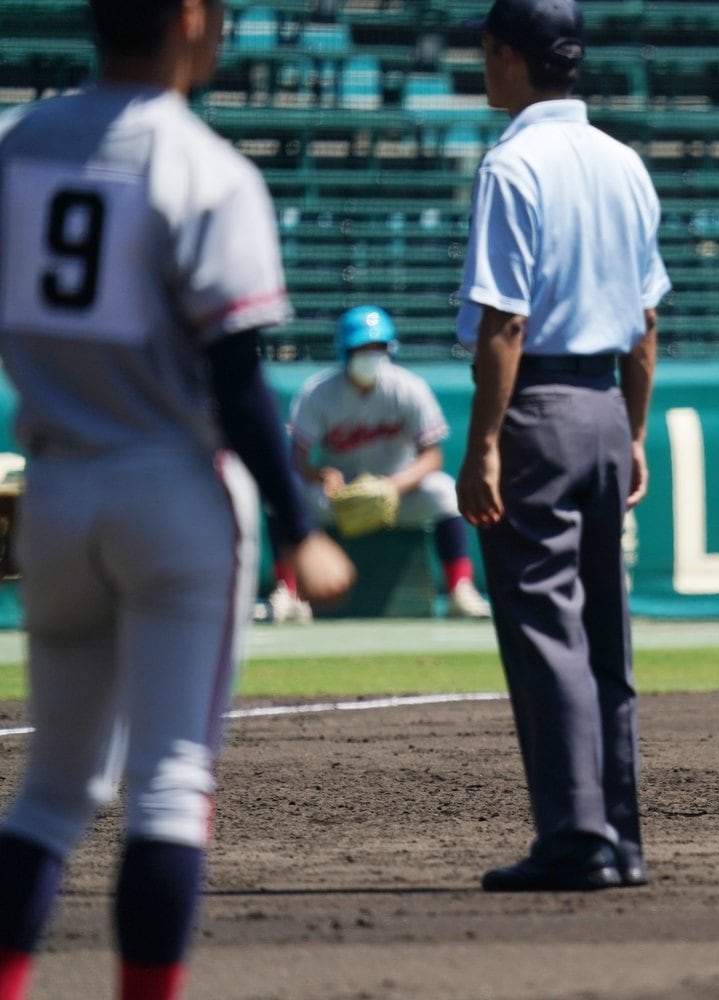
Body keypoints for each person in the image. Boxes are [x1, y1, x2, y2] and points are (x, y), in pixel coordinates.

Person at [0, 2, 354, 997]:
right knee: (170, 784)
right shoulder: (207, 168)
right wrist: (301, 523)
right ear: (192, 19)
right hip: (170, 491)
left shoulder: (20, 145)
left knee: (49, 794)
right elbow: (236, 375)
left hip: (56, 489)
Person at [454, 0, 670, 892]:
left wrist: (483, 445)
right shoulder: (623, 163)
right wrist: (635, 428)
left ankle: (575, 837)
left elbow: (504, 324)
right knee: (605, 632)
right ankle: (620, 837)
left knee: (545, 625)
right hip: (602, 409)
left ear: (509, 57)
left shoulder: (512, 165)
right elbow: (647, 322)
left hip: (537, 405)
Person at [268, 305, 492, 622]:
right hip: (340, 499)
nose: (371, 355)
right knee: (281, 498)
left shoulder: (408, 387)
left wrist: (391, 486)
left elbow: (433, 456)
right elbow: (297, 457)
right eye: (363, 348)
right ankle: (287, 593)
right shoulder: (318, 391)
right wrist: (320, 474)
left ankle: (459, 591)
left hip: (398, 494)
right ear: (346, 350)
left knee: (444, 492)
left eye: (378, 347)